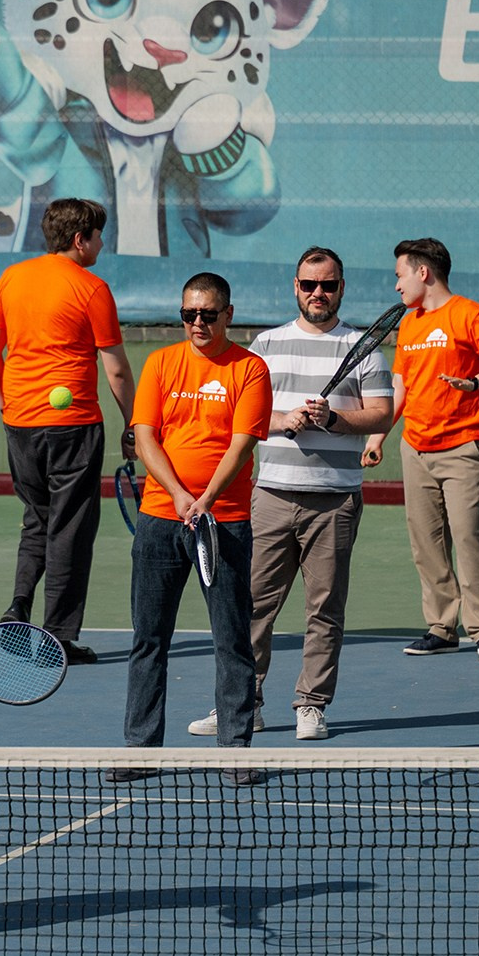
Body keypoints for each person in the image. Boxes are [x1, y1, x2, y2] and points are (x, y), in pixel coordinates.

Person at [196, 246, 391, 742]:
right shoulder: (265, 344)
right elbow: (247, 414)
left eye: (327, 285)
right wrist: (284, 420)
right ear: (295, 288)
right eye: (309, 285)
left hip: (335, 499)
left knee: (324, 609)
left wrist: (334, 419)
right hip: (271, 497)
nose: (318, 293)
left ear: (341, 288)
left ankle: (311, 704)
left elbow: (382, 415)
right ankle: (243, 703)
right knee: (252, 604)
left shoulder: (364, 347)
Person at [116, 273, 271, 768]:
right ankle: (140, 749)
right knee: (149, 638)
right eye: (189, 314)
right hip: (160, 521)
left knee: (231, 638)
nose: (198, 323)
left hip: (223, 522)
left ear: (228, 314)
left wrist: (205, 499)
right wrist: (182, 496)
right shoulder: (161, 363)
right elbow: (145, 438)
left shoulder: (250, 369)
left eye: (207, 314)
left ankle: (236, 750)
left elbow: (243, 444)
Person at [0, 197, 135, 662]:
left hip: (21, 425)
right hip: (73, 428)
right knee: (70, 531)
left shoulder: (11, 278)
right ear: (79, 239)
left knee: (38, 521)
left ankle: (18, 606)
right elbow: (118, 371)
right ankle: (58, 639)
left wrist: (8, 405)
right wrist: (134, 424)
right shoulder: (92, 288)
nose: (103, 244)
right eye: (98, 235)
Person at [364, 237, 479, 664]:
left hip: (463, 446)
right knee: (425, 543)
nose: (396, 286)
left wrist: (476, 382)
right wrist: (378, 438)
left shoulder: (470, 314)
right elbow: (400, 387)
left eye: (399, 276)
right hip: (416, 448)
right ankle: (441, 627)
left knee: (468, 538)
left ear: (422, 272)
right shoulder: (409, 323)